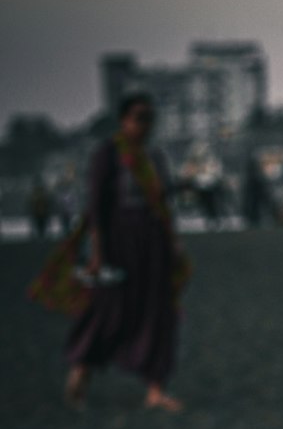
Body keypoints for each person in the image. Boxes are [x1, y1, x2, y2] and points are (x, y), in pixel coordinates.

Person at [52, 93, 190, 410]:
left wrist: (174, 243)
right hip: (120, 243)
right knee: (110, 311)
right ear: (124, 120)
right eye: (139, 118)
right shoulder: (109, 155)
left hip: (153, 243)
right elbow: (97, 207)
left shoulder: (154, 157)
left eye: (149, 119)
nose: (145, 125)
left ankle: (155, 389)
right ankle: (81, 371)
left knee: (160, 313)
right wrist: (98, 252)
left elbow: (163, 204)